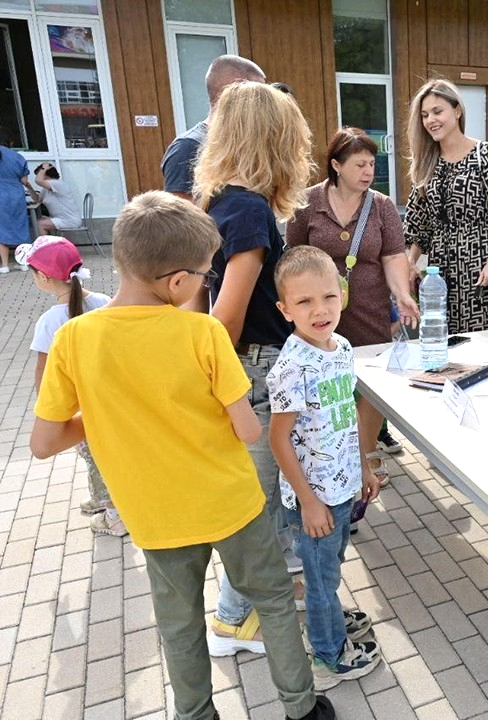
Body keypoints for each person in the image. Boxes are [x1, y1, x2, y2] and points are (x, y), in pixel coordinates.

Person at [30, 191, 335, 720]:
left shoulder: (73, 339)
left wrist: (105, 415)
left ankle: (195, 714)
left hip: (155, 517)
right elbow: (246, 431)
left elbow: (43, 443)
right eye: (204, 276)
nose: (205, 284)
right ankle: (300, 707)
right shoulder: (203, 332)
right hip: (230, 504)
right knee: (274, 601)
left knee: (179, 624)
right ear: (177, 282)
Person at [193, 80, 313, 655]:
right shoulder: (248, 209)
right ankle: (233, 620)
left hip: (250, 368)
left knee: (259, 497)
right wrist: (220, 386)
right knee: (260, 502)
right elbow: (227, 315)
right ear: (273, 139)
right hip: (256, 367)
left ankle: (253, 597)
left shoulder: (221, 201)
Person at [268, 246, 383, 689]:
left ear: (343, 295)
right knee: (319, 580)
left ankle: (329, 621)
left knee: (331, 565)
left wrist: (365, 469)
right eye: (304, 302)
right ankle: (329, 656)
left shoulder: (343, 348)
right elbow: (279, 439)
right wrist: (310, 502)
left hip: (343, 487)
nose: (320, 310)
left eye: (328, 297)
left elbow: (346, 416)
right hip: (313, 497)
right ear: (284, 309)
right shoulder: (291, 367)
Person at [286, 127, 419, 485]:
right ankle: (333, 458)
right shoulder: (307, 204)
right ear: (336, 165)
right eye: (359, 164)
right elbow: (293, 258)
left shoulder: (382, 206)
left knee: (373, 387)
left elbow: (393, 257)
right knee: (329, 388)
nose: (367, 172)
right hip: (319, 316)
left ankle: (363, 457)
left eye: (372, 164)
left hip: (370, 310)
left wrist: (402, 294)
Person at [18, 236, 125, 535]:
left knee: (95, 454)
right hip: (112, 398)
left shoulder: (50, 321)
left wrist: (50, 414)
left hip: (79, 405)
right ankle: (104, 498)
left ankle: (114, 513)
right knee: (107, 451)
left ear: (43, 277)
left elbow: (44, 373)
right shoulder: (104, 301)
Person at [404, 78, 488, 333]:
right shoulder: (426, 162)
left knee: (481, 348)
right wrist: (410, 263)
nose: (430, 120)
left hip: (478, 266)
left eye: (437, 111)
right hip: (439, 274)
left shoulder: (485, 155)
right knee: (443, 347)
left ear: (457, 111)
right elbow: (418, 222)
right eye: (424, 115)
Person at [161, 54, 266, 200]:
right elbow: (179, 219)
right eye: (259, 95)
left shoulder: (241, 143)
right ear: (233, 93)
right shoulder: (187, 147)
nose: (267, 103)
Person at [0, 142, 39, 273]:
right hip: (16, 194)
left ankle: (4, 265)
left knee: (2, 229)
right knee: (20, 226)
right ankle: (23, 263)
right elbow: (24, 181)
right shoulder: (17, 156)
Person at [34, 163, 81, 234]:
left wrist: (44, 168)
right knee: (41, 219)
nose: (38, 176)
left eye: (39, 174)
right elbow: (37, 199)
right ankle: (50, 243)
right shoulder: (46, 188)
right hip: (60, 218)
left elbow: (38, 181)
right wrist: (29, 187)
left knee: (40, 224)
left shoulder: (57, 184)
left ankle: (46, 245)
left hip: (69, 220)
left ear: (46, 173)